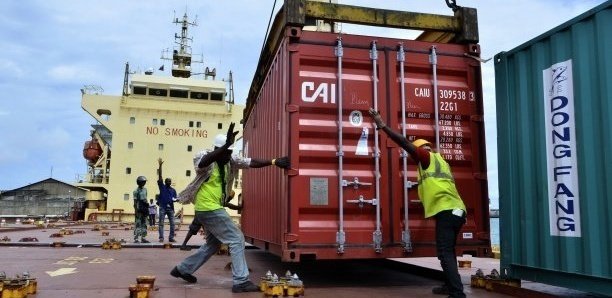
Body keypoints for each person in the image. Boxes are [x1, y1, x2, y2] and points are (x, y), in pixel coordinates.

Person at [170, 122, 289, 293]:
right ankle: (241, 281)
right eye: (227, 152)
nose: (230, 155)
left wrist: (274, 161)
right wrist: (225, 146)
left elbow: (250, 162)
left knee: (213, 244)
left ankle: (183, 269)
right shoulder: (204, 156)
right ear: (219, 150)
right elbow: (203, 162)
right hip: (207, 207)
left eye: (231, 152)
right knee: (236, 238)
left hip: (211, 208)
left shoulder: (229, 159)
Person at [369, 108, 467, 298]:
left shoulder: (426, 158)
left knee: (444, 252)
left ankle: (457, 294)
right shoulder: (442, 162)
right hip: (457, 211)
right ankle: (450, 286)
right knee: (449, 252)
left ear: (422, 149)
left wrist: (383, 126)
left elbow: (405, 143)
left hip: (447, 211)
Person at [157, 158, 177, 243]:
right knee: (161, 223)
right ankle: (161, 237)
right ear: (165, 182)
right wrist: (160, 166)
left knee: (173, 224)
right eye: (167, 181)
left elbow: (175, 199)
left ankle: (171, 237)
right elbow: (160, 176)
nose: (169, 182)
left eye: (170, 181)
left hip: (170, 209)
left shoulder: (173, 190)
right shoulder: (162, 186)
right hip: (163, 207)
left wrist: (176, 200)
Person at [133, 176, 150, 243]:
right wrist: (136, 210)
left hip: (144, 208)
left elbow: (146, 198)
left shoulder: (145, 189)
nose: (144, 183)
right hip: (139, 208)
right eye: (143, 182)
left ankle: (143, 238)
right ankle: (136, 238)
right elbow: (135, 202)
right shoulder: (136, 191)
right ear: (139, 182)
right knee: (138, 223)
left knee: (144, 223)